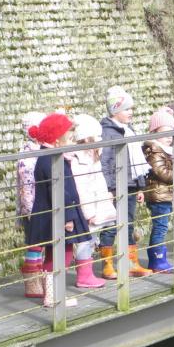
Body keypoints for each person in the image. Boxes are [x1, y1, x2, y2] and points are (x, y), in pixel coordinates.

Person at [28, 113, 95, 307]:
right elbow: (58, 191)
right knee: (62, 254)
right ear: (57, 141)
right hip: (57, 215)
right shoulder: (51, 160)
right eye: (69, 137)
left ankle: (52, 293)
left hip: (54, 215)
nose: (72, 140)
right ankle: (52, 295)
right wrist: (67, 217)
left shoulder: (51, 157)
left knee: (56, 253)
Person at [98, 86, 153, 278]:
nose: (131, 113)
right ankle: (107, 265)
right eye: (127, 109)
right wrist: (108, 187)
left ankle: (130, 263)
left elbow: (137, 161)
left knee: (128, 223)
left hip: (130, 184)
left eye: (131, 109)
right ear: (115, 110)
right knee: (110, 224)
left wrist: (140, 186)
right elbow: (105, 162)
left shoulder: (128, 131)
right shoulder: (107, 132)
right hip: (115, 186)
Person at [64, 114, 113, 288]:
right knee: (85, 241)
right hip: (87, 209)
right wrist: (89, 212)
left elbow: (98, 181)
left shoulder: (92, 156)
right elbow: (82, 189)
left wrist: (105, 195)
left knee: (91, 240)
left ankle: (87, 274)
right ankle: (84, 275)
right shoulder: (79, 160)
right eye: (96, 137)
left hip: (96, 204)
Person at [142, 106, 174, 272]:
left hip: (163, 194)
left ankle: (158, 258)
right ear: (155, 132)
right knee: (160, 227)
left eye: (171, 133)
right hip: (158, 194)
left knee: (161, 226)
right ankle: (157, 260)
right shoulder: (155, 150)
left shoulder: (164, 149)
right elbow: (160, 172)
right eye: (165, 133)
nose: (169, 138)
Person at [17, 111, 46, 299]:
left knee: (41, 245)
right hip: (33, 209)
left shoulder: (40, 150)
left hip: (42, 205)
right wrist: (30, 211)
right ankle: (32, 282)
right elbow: (26, 188)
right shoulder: (28, 156)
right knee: (35, 245)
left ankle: (39, 279)